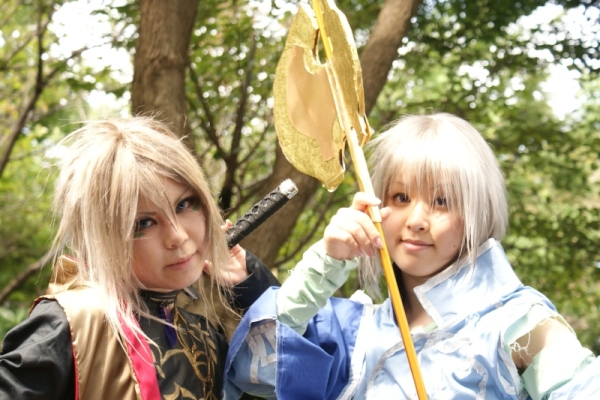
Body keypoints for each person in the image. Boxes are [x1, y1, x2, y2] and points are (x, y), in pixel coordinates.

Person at [223, 113, 600, 399]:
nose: (417, 220)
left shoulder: (519, 323)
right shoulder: (356, 332)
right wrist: (326, 261)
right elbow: (253, 369)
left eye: (442, 201)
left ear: (477, 214)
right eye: (401, 197)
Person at [0, 116, 279, 400]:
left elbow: (292, 380)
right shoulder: (72, 324)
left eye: (184, 204)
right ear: (103, 238)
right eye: (144, 223)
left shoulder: (204, 336)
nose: (178, 236)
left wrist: (254, 286)